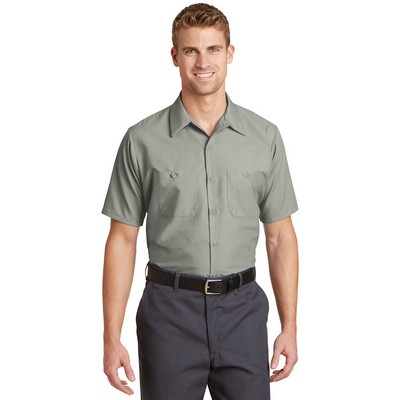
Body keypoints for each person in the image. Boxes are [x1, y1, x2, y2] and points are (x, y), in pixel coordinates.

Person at [101, 3, 299, 399]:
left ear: (230, 53)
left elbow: (280, 237)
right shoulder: (141, 140)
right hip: (168, 314)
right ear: (175, 56)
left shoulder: (265, 138)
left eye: (213, 49)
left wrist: (289, 327)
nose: (203, 62)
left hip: (243, 313)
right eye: (191, 50)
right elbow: (122, 240)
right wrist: (111, 337)